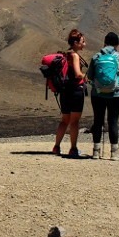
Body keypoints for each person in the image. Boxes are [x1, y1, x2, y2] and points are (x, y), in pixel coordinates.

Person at [87, 32, 119, 161]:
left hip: (97, 93)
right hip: (116, 94)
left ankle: (96, 152)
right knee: (113, 121)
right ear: (117, 44)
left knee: (98, 120)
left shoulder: (96, 57)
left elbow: (89, 76)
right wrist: (117, 81)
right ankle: (114, 152)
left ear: (104, 43)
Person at [52, 29, 87, 158]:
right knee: (74, 121)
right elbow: (78, 74)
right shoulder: (75, 56)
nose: (85, 44)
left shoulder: (66, 55)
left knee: (64, 121)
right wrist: (86, 77)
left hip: (65, 91)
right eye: (83, 41)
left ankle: (56, 147)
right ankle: (73, 148)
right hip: (76, 91)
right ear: (76, 42)